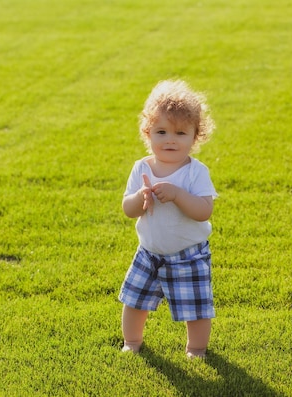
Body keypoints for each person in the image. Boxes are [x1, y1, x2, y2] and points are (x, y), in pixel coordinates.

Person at [119, 79, 217, 359]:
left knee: (196, 308)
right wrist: (141, 198)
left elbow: (203, 210)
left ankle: (196, 349)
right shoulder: (142, 168)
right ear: (147, 133)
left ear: (195, 136)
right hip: (148, 253)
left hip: (188, 255)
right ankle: (132, 342)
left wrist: (176, 194)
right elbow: (128, 208)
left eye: (180, 133)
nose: (170, 140)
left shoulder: (194, 173)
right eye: (161, 132)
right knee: (134, 301)